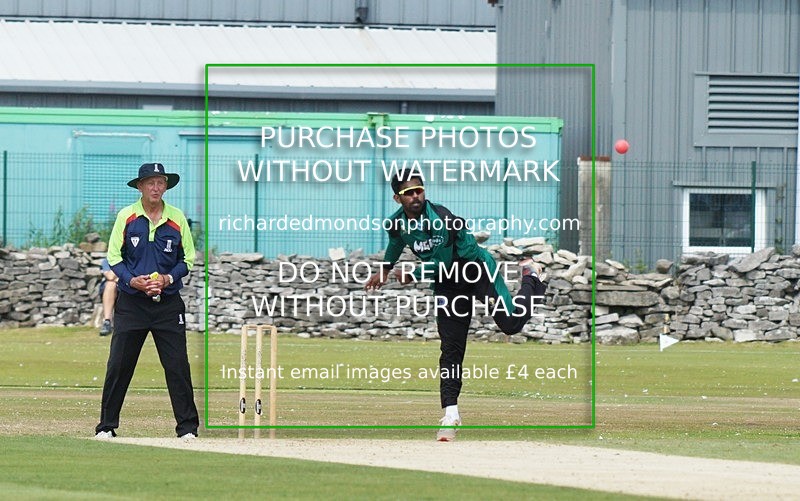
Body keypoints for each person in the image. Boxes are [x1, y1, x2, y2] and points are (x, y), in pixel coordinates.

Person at [365, 169, 547, 442]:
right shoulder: (397, 223)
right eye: (408, 193)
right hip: (448, 285)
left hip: (475, 271)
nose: (416, 196)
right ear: (397, 198)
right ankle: (450, 414)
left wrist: (412, 274)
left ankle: (531, 278)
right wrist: (386, 270)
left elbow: (444, 263)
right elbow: (395, 244)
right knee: (451, 348)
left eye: (419, 190)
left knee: (510, 325)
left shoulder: (440, 219)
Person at [95, 162, 199, 441]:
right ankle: (106, 426)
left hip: (167, 304)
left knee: (177, 365)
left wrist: (167, 278)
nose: (156, 187)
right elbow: (114, 258)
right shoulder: (126, 216)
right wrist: (131, 281)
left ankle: (188, 428)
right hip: (132, 303)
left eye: (160, 183)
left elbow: (187, 259)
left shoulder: (177, 218)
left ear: (166, 186)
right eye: (150, 183)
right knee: (119, 365)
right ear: (140, 187)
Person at [98, 258, 118, 336]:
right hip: (112, 288)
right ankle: (107, 322)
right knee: (110, 284)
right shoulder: (107, 261)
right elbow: (110, 276)